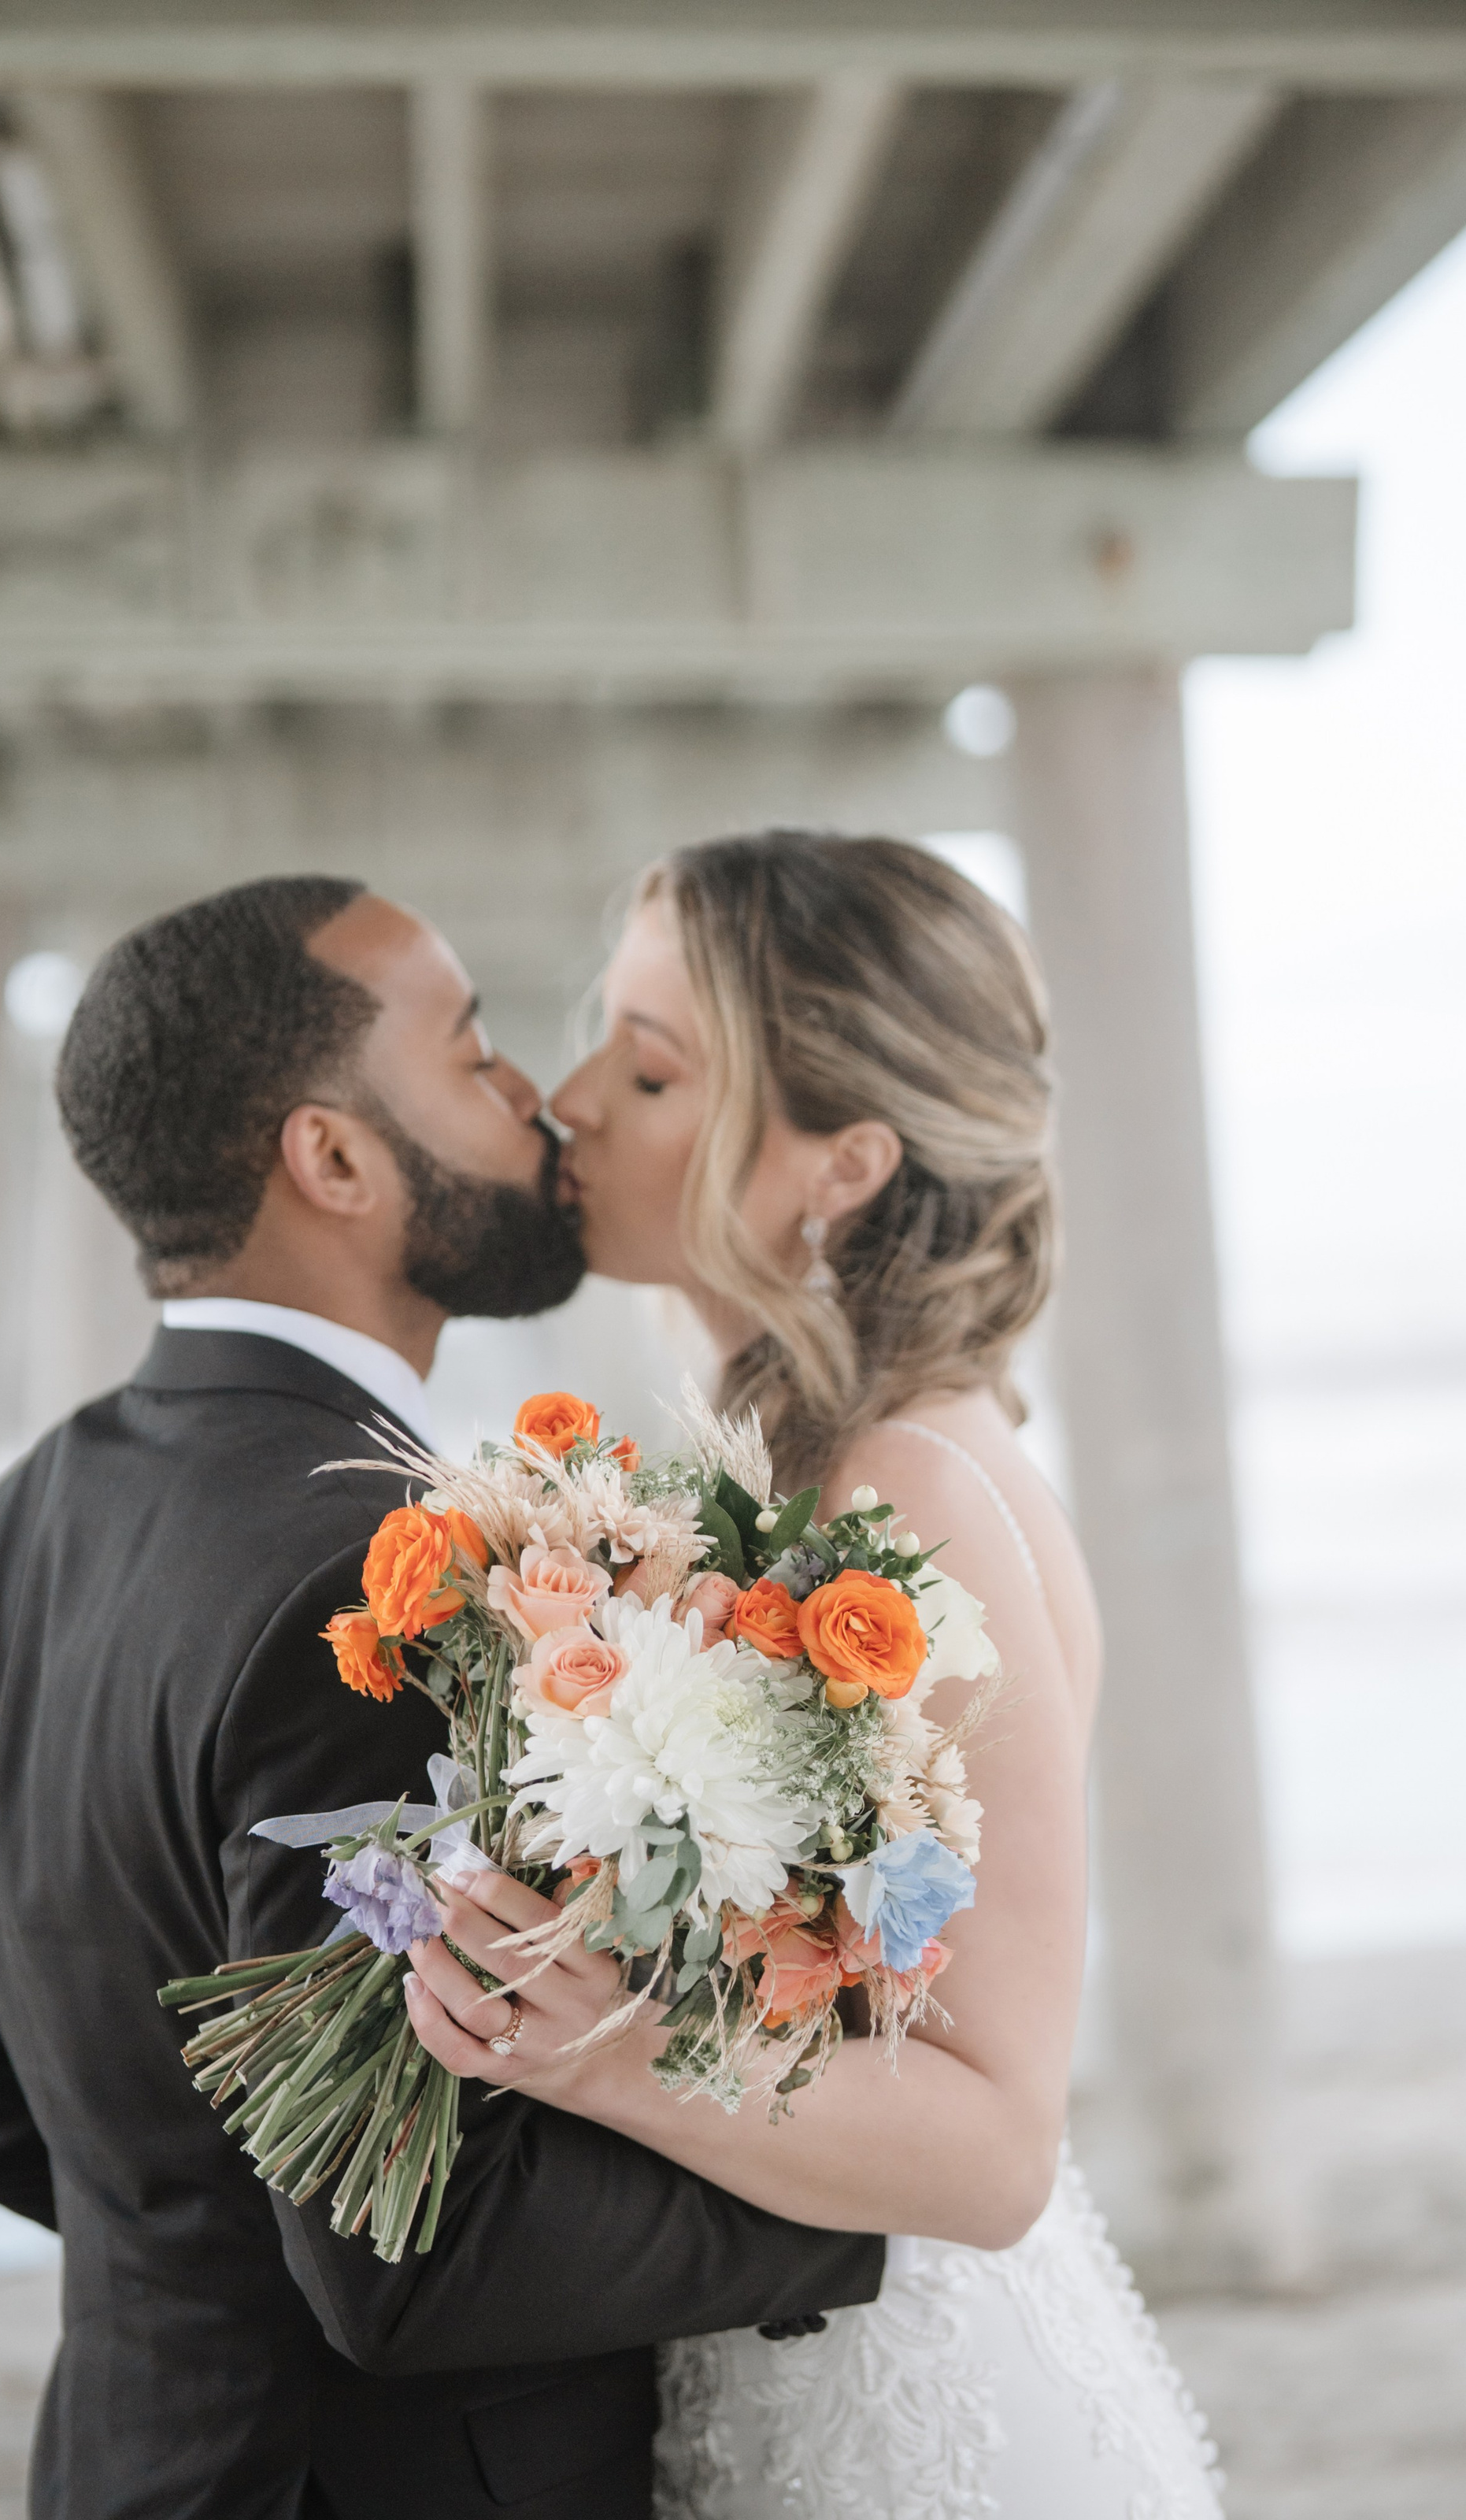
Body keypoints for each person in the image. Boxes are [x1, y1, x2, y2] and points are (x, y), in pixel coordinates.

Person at [0, 873, 888, 2520]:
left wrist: (205, 2287)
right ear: (333, 1158)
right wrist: (855, 2201)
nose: (530, 1095)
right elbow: (410, 2258)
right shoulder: (374, 1585)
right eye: (472, 1048)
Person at [402, 833, 1224, 2519]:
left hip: (916, 2410)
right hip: (769, 2351)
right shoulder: (802, 1470)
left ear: (835, 1163)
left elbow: (997, 2151)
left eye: (648, 1070)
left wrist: (595, 2048)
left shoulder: (902, 1490)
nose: (568, 1100)